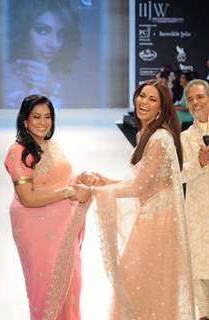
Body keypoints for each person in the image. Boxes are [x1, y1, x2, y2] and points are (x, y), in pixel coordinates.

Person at [72, 80, 196, 319]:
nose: (144, 102)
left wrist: (95, 192)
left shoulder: (160, 137)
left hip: (159, 224)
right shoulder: (145, 134)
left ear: (161, 108)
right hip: (150, 217)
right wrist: (103, 181)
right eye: (142, 96)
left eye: (152, 99)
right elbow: (141, 183)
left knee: (139, 285)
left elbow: (138, 187)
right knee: (140, 286)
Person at [4, 94, 92, 320]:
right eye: (36, 117)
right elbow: (27, 197)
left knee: (70, 283)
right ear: (25, 120)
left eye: (47, 117)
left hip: (63, 227)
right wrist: (69, 192)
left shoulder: (51, 144)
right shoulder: (18, 151)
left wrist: (81, 179)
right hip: (35, 229)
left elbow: (62, 178)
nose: (43, 122)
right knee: (46, 285)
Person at [4, 0, 81, 108]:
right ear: (22, 29)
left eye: (61, 34)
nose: (53, 44)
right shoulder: (2, 76)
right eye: (43, 31)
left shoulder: (61, 80)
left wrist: (55, 88)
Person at [181, 79, 209, 320]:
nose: (195, 103)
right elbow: (179, 174)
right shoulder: (186, 137)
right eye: (190, 100)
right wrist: (200, 162)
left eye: (199, 97)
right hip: (198, 214)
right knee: (199, 273)